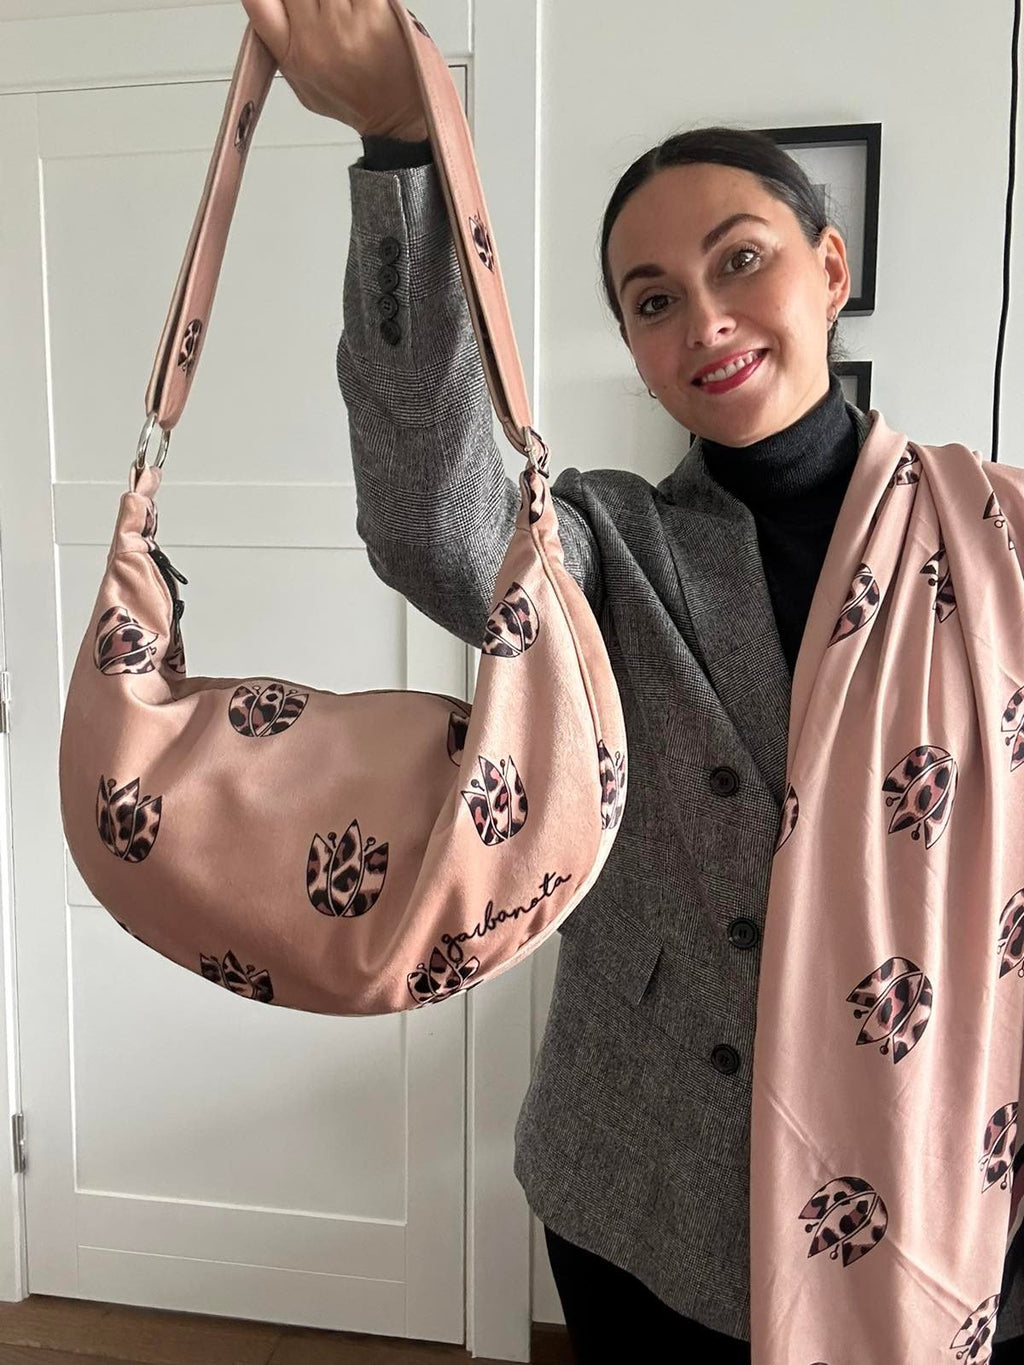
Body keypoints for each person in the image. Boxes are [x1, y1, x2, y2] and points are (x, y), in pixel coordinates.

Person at [241, 2, 1024, 1359]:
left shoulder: (998, 534)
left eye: (743, 261)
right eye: (653, 300)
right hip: (654, 1183)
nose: (705, 319)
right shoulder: (610, 545)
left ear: (829, 269)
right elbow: (433, 516)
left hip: (951, 1160)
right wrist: (398, 150)